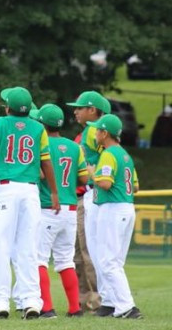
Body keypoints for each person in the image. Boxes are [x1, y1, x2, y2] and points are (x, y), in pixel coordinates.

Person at [0, 86, 59, 319]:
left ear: (7, 108)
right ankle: (31, 301)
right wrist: (55, 193)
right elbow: (46, 163)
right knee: (28, 248)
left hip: (5, 188)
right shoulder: (39, 128)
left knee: (1, 246)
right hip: (30, 191)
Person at [33, 104, 88, 319]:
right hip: (70, 208)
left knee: (39, 259)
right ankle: (75, 308)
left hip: (48, 206)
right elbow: (84, 178)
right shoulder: (74, 147)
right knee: (65, 259)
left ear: (41, 123)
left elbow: (40, 174)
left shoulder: (40, 144)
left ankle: (46, 308)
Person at [90, 113, 142, 319]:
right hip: (127, 207)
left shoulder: (109, 154)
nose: (95, 133)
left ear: (105, 133)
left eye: (97, 130)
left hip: (113, 208)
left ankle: (127, 306)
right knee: (115, 261)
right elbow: (136, 186)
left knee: (108, 261)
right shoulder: (125, 155)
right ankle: (112, 302)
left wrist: (92, 173)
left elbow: (105, 183)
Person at [66, 90, 110, 312]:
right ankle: (83, 300)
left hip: (92, 196)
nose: (75, 111)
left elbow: (109, 157)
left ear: (92, 110)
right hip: (78, 197)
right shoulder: (82, 135)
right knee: (76, 253)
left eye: (79, 107)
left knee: (89, 251)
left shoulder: (97, 133)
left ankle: (99, 299)